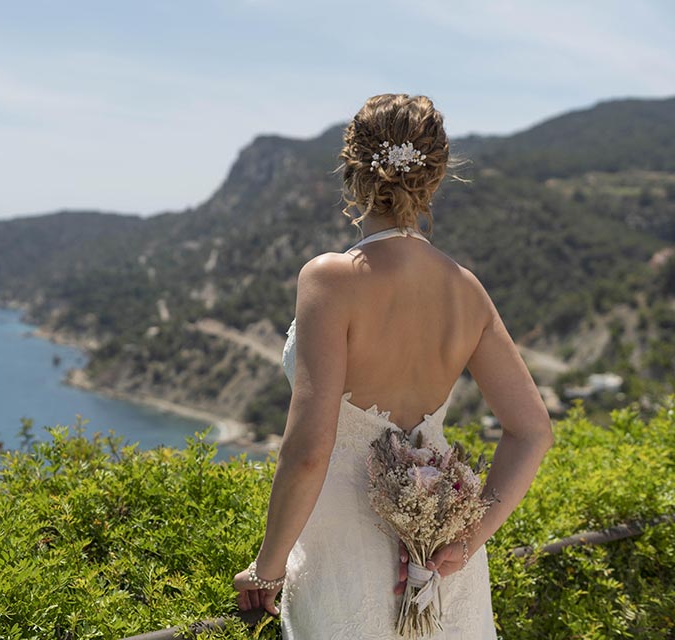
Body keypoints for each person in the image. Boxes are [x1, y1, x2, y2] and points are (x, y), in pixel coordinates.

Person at [231, 93, 554, 638]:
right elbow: (533, 432)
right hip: (442, 566)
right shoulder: (465, 289)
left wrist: (267, 568)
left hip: (343, 557)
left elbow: (310, 450)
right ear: (437, 175)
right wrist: (465, 543)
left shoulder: (331, 279)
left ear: (352, 168)